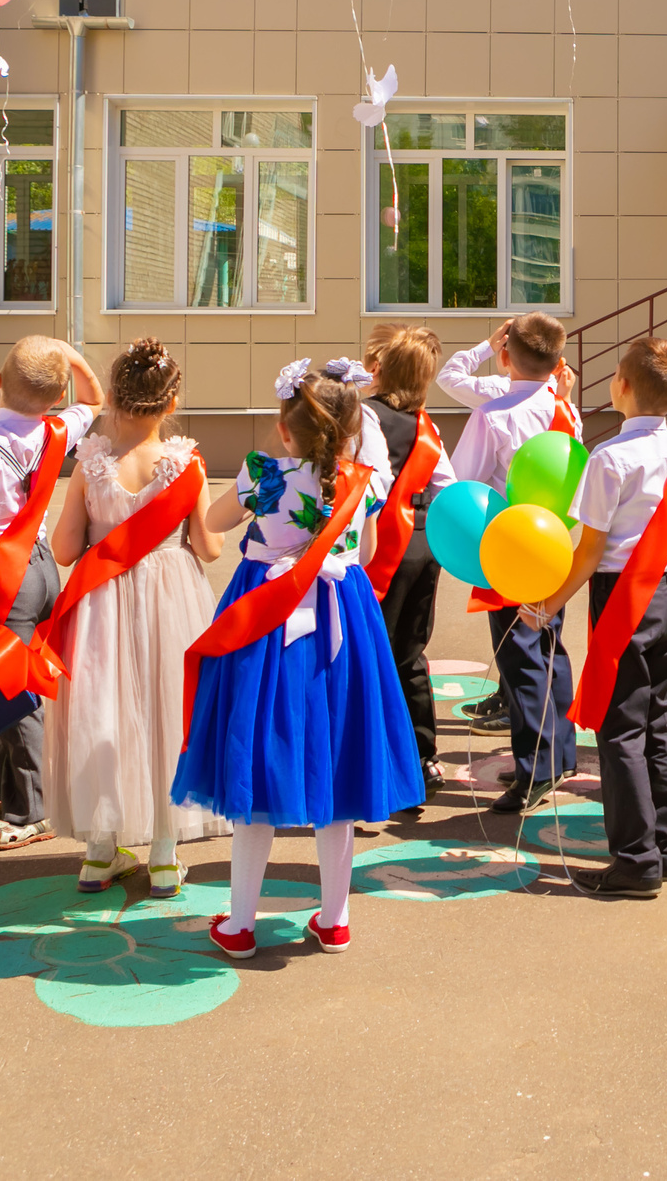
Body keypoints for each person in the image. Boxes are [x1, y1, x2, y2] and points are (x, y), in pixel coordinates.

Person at [174, 363, 420, 957]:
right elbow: (363, 550)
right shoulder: (360, 482)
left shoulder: (263, 473)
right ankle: (334, 920)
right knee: (338, 761)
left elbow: (211, 524)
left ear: (285, 430)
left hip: (262, 617)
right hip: (343, 616)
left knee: (254, 760)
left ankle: (238, 923)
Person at [41, 338, 226, 896]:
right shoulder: (185, 464)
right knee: (168, 714)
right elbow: (210, 547)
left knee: (105, 713)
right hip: (172, 596)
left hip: (103, 602)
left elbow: (67, 548)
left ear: (114, 399)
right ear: (171, 405)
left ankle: (101, 851)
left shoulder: (90, 463)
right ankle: (166, 853)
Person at [524, 338, 667, 898]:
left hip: (625, 597)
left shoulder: (609, 458)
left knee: (620, 729)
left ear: (622, 387)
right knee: (659, 724)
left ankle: (634, 861)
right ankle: (666, 847)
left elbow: (590, 550)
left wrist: (549, 604)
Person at [0, 336, 103, 851]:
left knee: (10, 689)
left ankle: (33, 808)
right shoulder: (57, 428)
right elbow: (94, 399)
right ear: (57, 396)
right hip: (43, 566)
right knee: (21, 676)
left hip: (2, 575)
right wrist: (71, 357)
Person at [438, 313, 580, 812]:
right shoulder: (566, 410)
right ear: (558, 363)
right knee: (550, 648)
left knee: (520, 660)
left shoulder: (493, 415)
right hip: (555, 544)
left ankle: (535, 772)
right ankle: (562, 755)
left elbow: (465, 483)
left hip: (512, 549)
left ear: (503, 356)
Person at [358, 325, 457, 788]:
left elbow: (364, 483)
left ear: (380, 369)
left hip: (380, 544)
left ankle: (374, 760)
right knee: (411, 653)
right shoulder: (426, 425)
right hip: (423, 545)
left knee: (369, 652)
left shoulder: (365, 417)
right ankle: (423, 756)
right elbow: (447, 488)